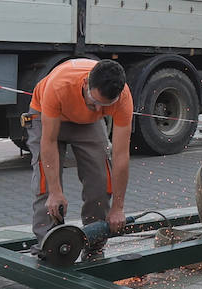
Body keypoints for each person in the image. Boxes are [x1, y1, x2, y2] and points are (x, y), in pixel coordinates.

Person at [27, 58, 133, 260]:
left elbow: (121, 155)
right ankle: (49, 248)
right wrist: (56, 192)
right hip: (47, 115)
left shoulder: (123, 98)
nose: (96, 108)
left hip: (88, 124)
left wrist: (118, 208)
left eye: (104, 106)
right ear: (85, 84)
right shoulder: (59, 85)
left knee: (101, 182)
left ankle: (95, 245)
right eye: (93, 102)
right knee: (46, 186)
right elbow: (48, 142)